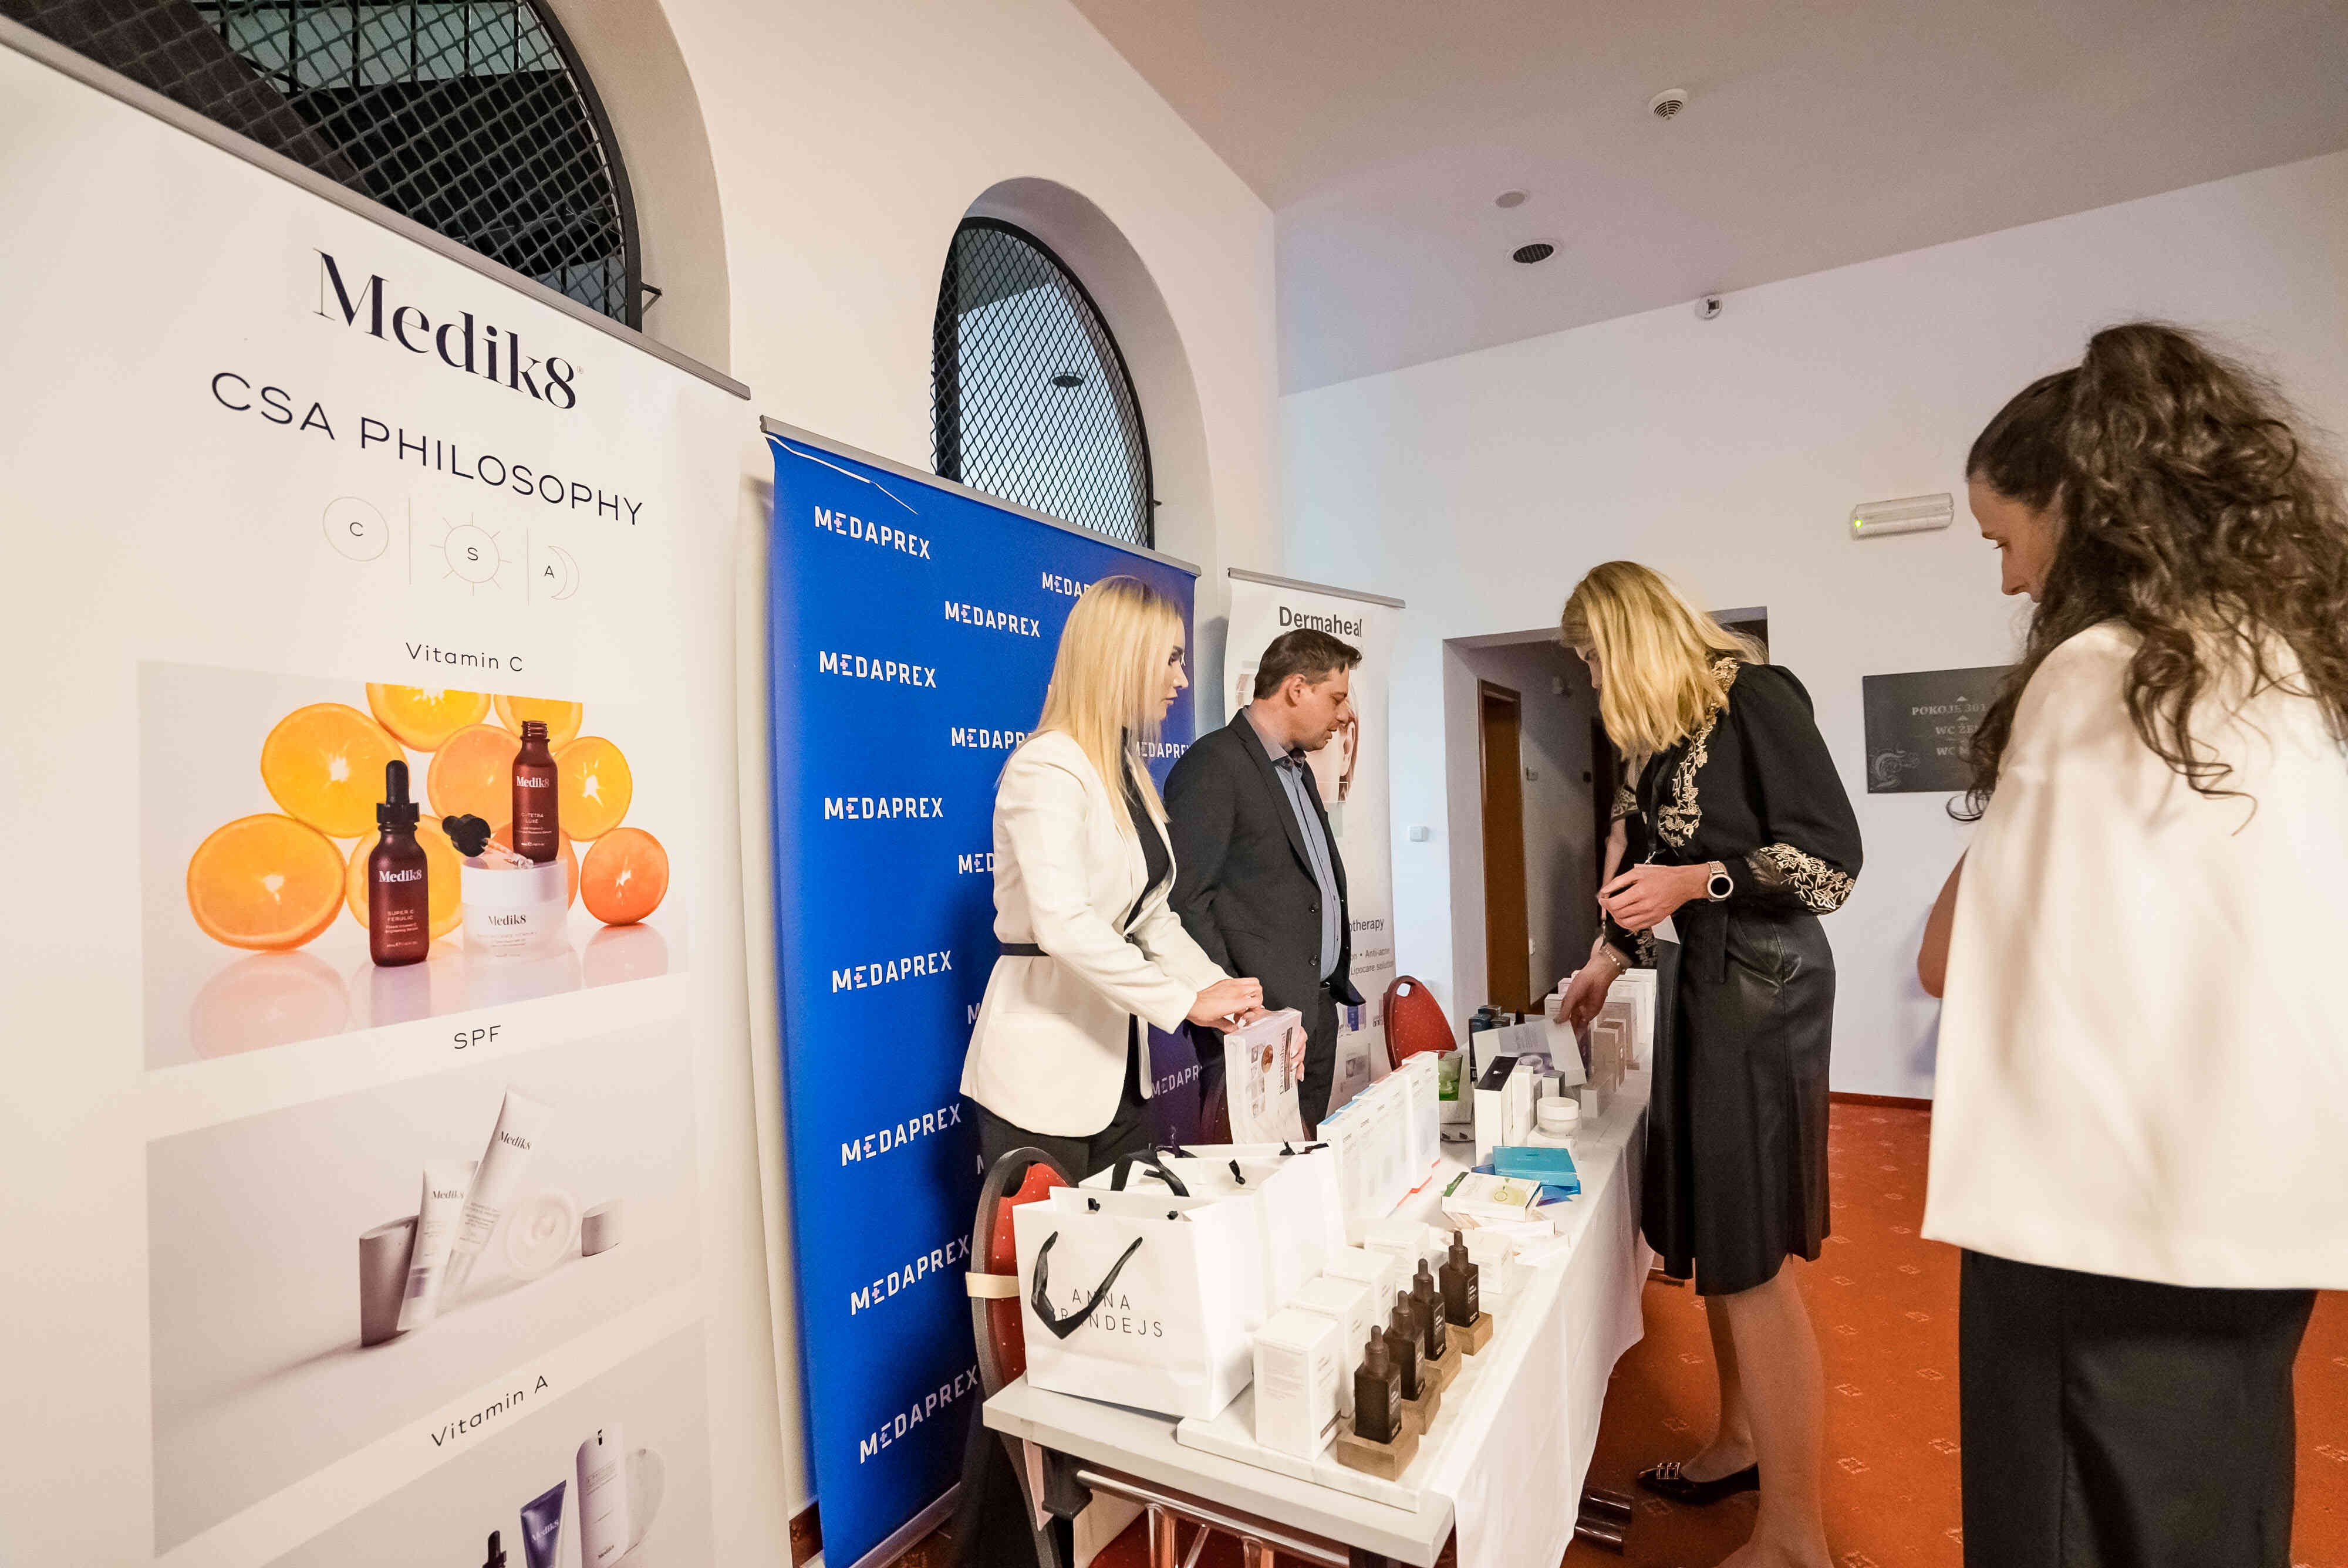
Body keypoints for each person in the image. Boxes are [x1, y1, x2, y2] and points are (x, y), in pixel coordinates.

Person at [1916, 323, 2348, 1568]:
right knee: (2215, 1515)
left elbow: (1949, 957)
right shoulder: (2287, 671)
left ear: (2076, 503)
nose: (2012, 580)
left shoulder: (2100, 674)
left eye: (2004, 539)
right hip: (2254, 1207)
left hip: (2094, 1231)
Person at [1556, 562, 1861, 1568]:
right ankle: (1739, 1441)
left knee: (1752, 1256)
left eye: (1594, 659)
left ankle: (1798, 1536)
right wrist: (1606, 960)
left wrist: (1699, 880)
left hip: (1765, 991)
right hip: (1708, 987)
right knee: (1726, 1241)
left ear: (1631, 638)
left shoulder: (1757, 698)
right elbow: (1650, 882)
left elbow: (1830, 864)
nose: (1594, 681)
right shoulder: (1667, 740)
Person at [960, 576, 1264, 1180]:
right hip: (1042, 1082)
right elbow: (1063, 923)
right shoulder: (1047, 767)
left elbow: (1151, 917)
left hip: (1118, 1075)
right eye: (1170, 658)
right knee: (1049, 1245)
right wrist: (1185, 1002)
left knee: (1121, 1236)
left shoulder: (1123, 768)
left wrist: (1222, 993)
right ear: (1122, 657)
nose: (1182, 679)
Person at [1166, 627, 1367, 1132]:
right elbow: (1186, 901)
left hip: (1312, 1014)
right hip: (1253, 1027)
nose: (1346, 716)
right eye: (1337, 698)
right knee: (1257, 1173)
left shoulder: (1298, 770)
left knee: (1304, 1162)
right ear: (1297, 688)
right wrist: (1239, 1005)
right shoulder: (1214, 764)